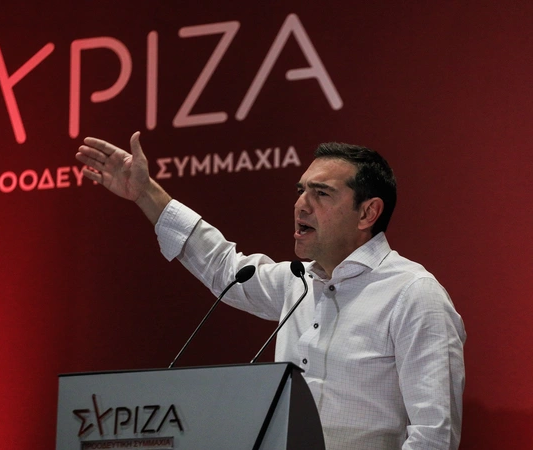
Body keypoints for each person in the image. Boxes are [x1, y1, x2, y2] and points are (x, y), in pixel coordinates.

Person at [75, 132, 466, 450]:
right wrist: (145, 192)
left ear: (367, 212)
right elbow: (222, 266)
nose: (300, 205)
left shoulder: (414, 295)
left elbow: (434, 436)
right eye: (300, 190)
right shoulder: (297, 282)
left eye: (321, 193)